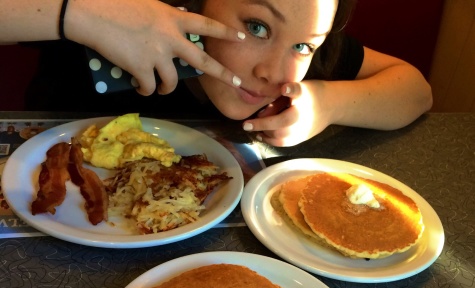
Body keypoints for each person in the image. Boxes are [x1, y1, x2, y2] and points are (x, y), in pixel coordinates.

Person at [0, 0, 433, 147]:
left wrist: (326, 104)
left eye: (303, 45)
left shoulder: (305, 62)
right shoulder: (111, 23)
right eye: (257, 26)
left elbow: (416, 91)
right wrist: (78, 14)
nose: (275, 72)